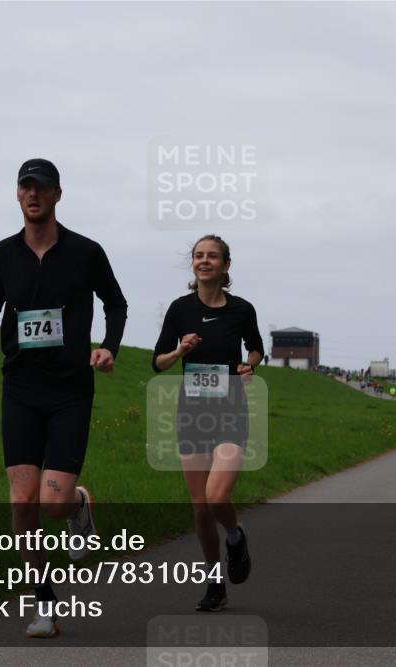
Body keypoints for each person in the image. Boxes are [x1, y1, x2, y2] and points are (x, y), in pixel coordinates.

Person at [0, 158, 128, 638]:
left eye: (42, 188)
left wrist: (108, 347)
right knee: (23, 501)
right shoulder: (3, 253)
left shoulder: (86, 252)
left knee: (53, 503)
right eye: (26, 187)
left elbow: (116, 302)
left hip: (70, 389)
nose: (34, 194)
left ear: (57, 195)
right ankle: (42, 602)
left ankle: (79, 504)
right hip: (21, 386)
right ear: (17, 195)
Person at [152, 235, 264, 613]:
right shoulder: (179, 309)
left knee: (218, 496)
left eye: (212, 256)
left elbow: (256, 346)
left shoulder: (242, 310)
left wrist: (252, 363)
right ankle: (215, 581)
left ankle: (235, 536)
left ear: (225, 266)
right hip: (193, 413)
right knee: (200, 506)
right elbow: (159, 362)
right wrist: (180, 350)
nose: (204, 261)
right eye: (199, 256)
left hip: (231, 408)